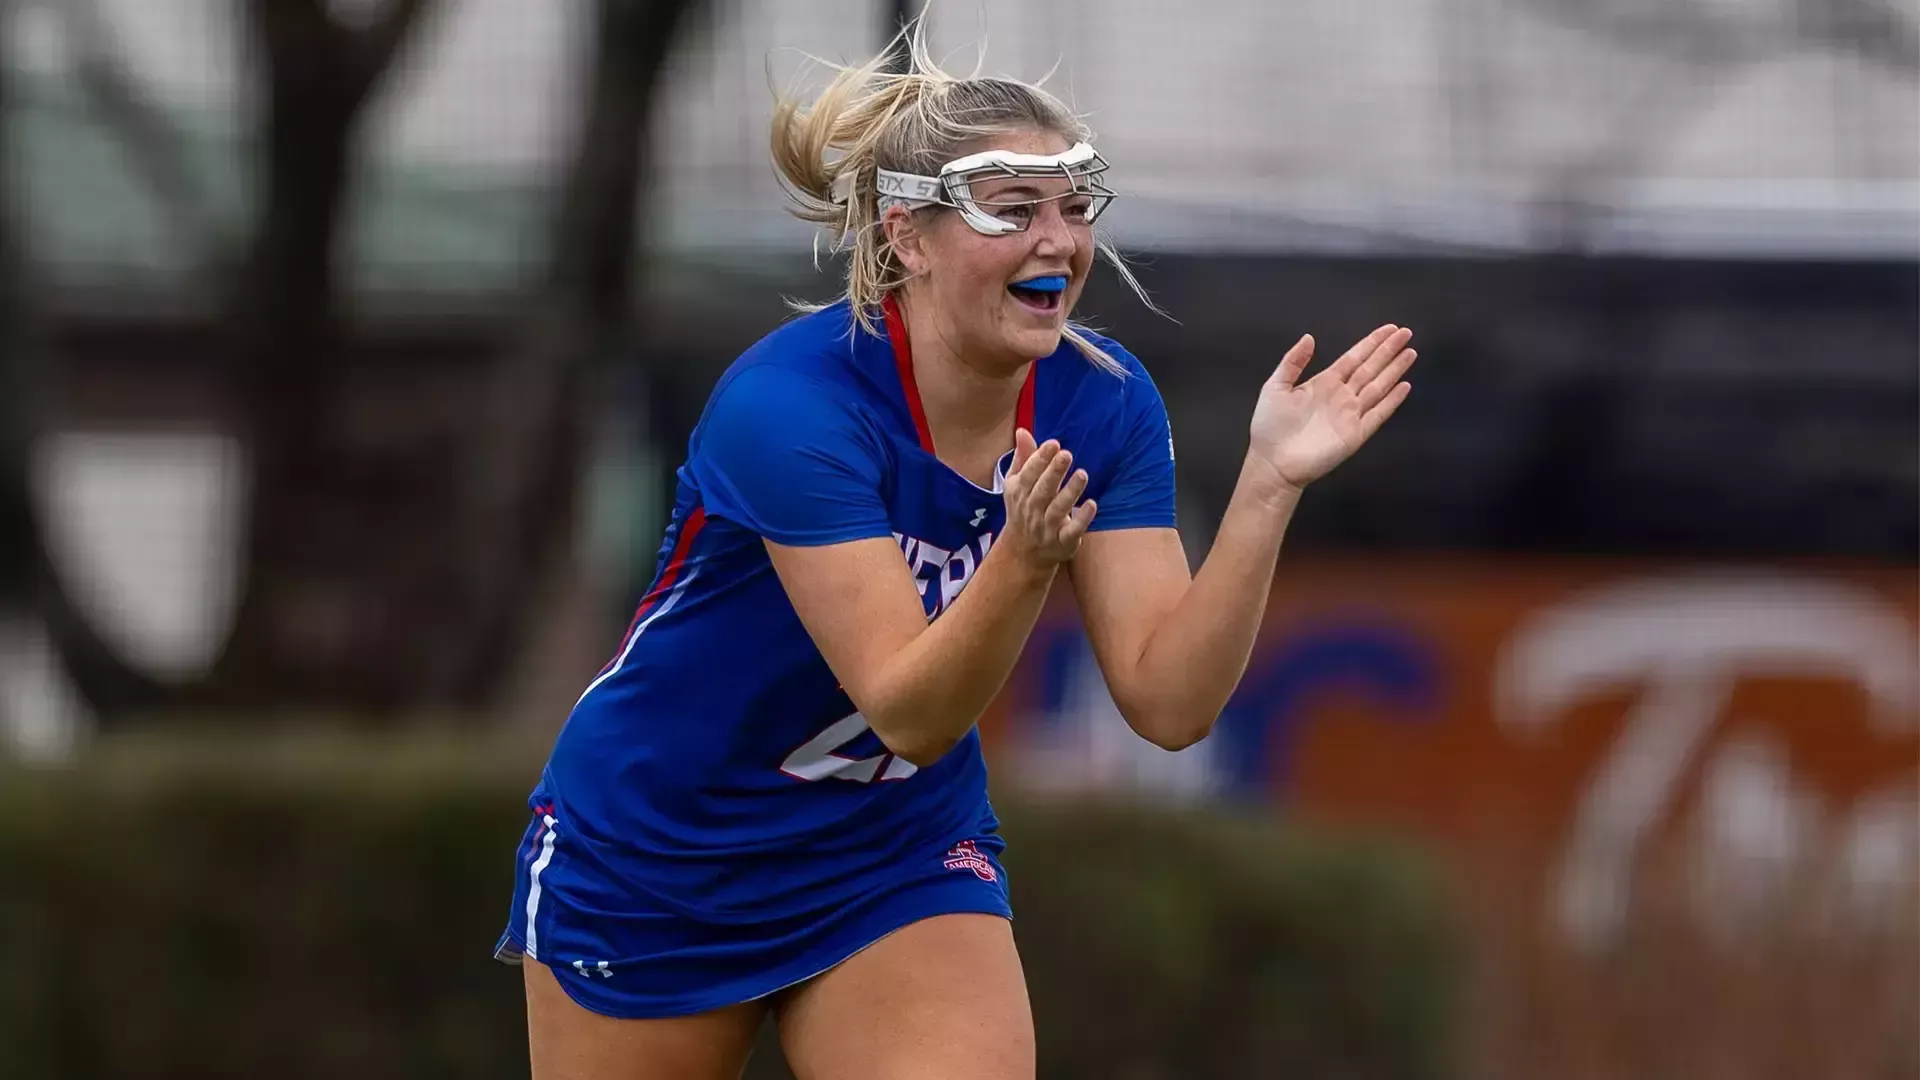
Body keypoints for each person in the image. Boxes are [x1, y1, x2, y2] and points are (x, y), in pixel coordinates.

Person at [494, 20, 1416, 1080]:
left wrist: (1267, 487)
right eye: (1012, 211)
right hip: (663, 846)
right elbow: (910, 710)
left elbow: (1170, 704)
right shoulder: (791, 407)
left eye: (1074, 208)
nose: (1057, 241)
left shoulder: (1101, 400)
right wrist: (1020, 561)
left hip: (891, 845)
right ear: (908, 238)